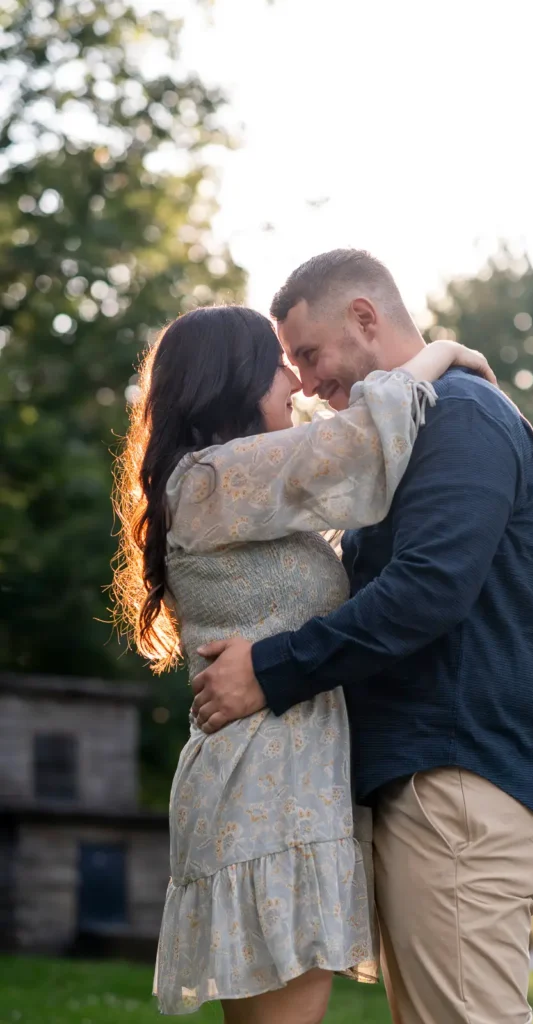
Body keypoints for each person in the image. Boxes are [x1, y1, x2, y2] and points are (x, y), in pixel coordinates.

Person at [191, 250, 533, 1024]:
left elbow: (425, 591)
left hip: (457, 780)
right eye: (290, 362)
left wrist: (273, 668)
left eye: (310, 353)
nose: (305, 381)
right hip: (425, 783)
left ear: (364, 317)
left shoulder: (461, 414)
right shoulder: (403, 435)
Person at [111, 302, 495, 1022]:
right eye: (278, 362)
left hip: (289, 779)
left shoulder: (244, 485)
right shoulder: (212, 479)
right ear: (233, 378)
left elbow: (350, 453)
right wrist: (440, 351)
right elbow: (359, 445)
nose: (296, 379)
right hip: (266, 787)